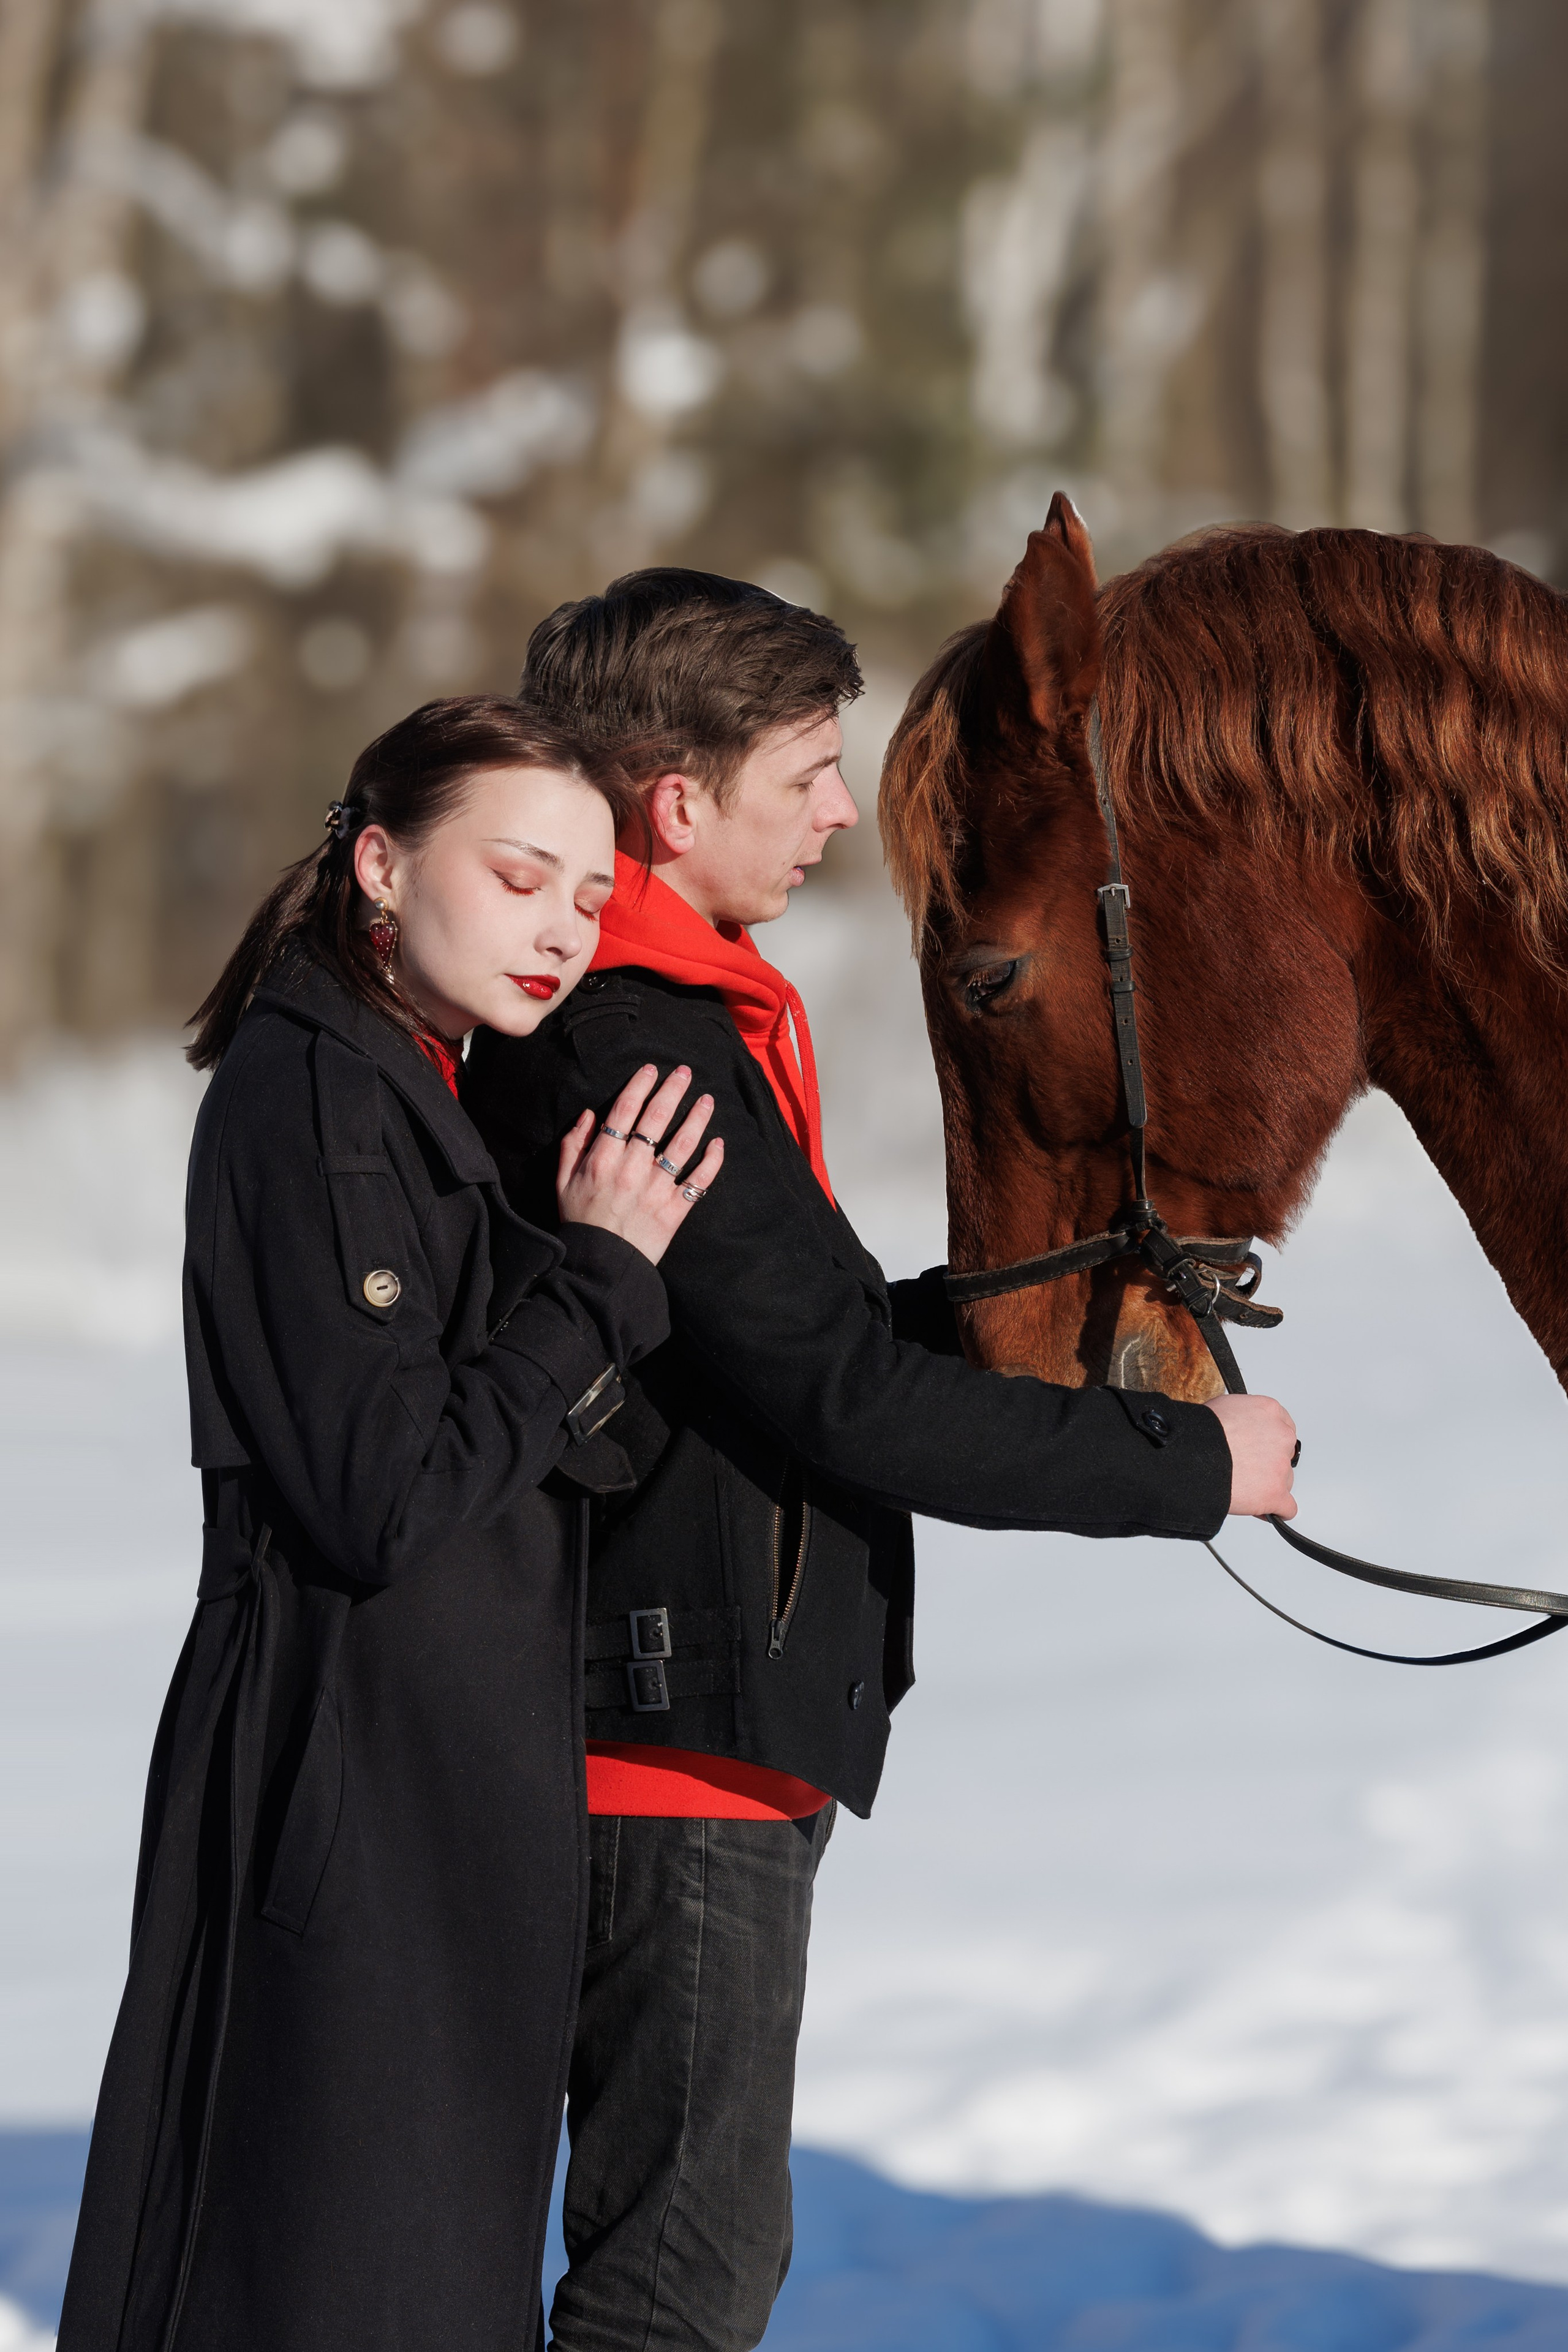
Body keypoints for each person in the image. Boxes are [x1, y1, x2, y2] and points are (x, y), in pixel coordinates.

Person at [460, 574, 1299, 2352]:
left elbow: (778, 1340)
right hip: (668, 1756)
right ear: (677, 806)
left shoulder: (680, 1017)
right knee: (679, 2282)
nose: (840, 811)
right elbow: (839, 1398)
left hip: (696, 1726)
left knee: (688, 2260)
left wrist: (1055, 1318)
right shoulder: (638, 1042)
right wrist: (1183, 1466)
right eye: (805, 773)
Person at [58, 698, 723, 2352]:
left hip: (435, 1785)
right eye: (518, 874)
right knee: (336, 2280)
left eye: (587, 896)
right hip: (347, 1779)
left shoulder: (417, 1088)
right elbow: (384, 1491)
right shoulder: (316, 1101)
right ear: (380, 862)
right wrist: (599, 1279)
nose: (560, 927)